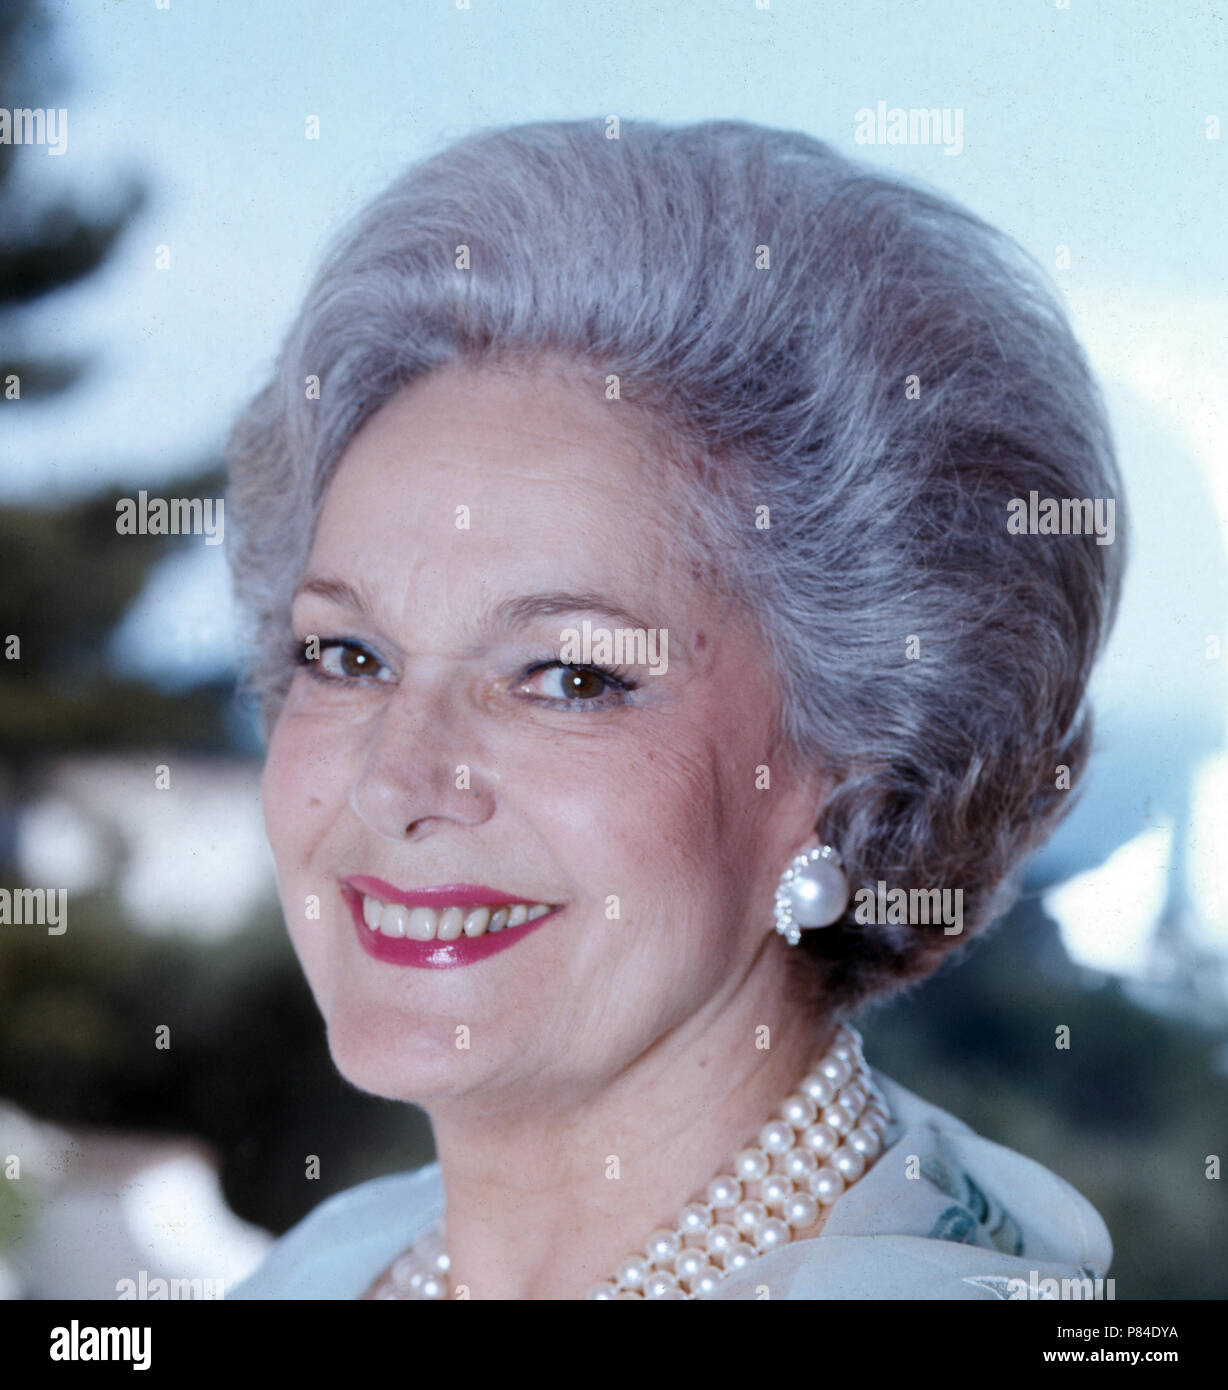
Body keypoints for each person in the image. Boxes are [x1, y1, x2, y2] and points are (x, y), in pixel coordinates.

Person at [224, 117, 1123, 1300]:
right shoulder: (325, 1266)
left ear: (855, 768)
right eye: (347, 654)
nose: (395, 779)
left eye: (569, 677)